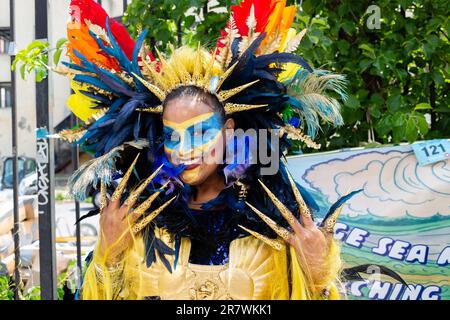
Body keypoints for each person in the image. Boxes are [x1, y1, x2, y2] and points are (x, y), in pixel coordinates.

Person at [61, 0, 356, 300]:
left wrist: (318, 273)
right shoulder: (141, 218)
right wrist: (108, 255)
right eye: (172, 137)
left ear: (228, 131)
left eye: (200, 133)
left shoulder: (273, 215)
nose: (185, 150)